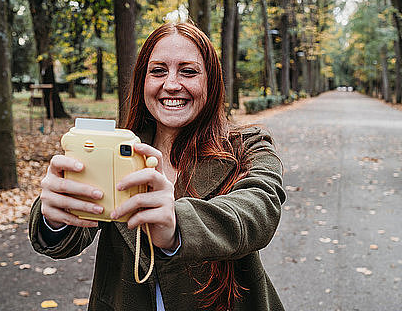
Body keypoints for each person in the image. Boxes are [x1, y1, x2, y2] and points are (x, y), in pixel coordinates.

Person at [28, 22, 286, 311]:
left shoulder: (249, 146)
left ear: (211, 84)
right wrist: (56, 218)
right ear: (142, 81)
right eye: (158, 71)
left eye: (188, 71)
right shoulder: (118, 150)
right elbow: (70, 237)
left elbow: (260, 210)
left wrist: (176, 226)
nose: (172, 84)